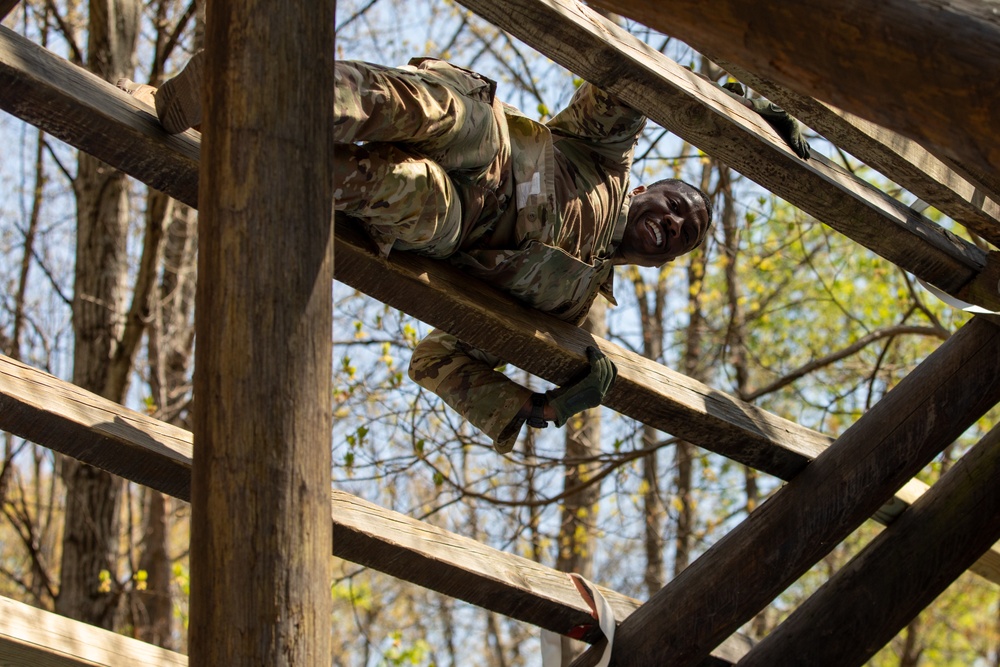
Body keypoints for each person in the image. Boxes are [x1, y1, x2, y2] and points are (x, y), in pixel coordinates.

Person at [118, 53, 807, 453]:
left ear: (658, 266)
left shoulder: (571, 308)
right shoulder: (608, 156)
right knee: (416, 105)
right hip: (490, 147)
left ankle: (226, 126)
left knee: (373, 183)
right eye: (679, 206)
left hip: (454, 221)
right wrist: (736, 109)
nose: (675, 224)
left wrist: (542, 410)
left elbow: (439, 358)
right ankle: (239, 82)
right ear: (653, 187)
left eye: (683, 237)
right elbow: (643, 85)